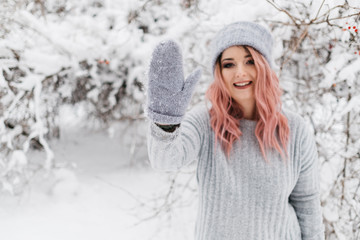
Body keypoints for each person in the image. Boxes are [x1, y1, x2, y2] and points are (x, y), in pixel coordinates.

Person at [145, 21, 325, 240]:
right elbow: (165, 160)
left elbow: (306, 203)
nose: (240, 72)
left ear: (264, 66)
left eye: (250, 62)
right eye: (229, 64)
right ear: (219, 72)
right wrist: (166, 121)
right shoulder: (204, 122)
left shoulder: (295, 129)